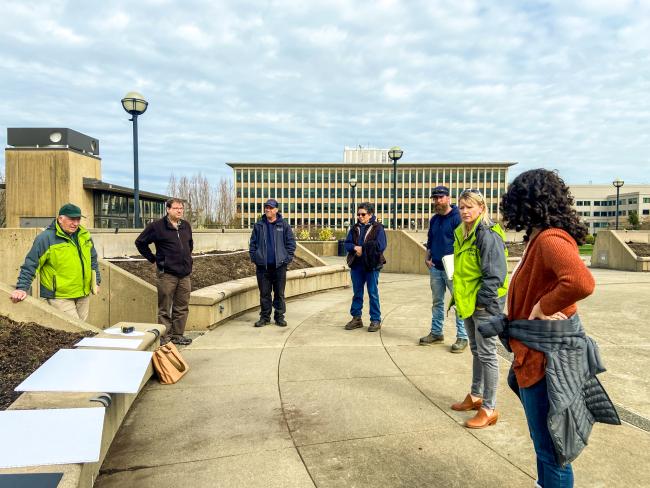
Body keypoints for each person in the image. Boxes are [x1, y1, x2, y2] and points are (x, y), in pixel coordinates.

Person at [498, 169, 618, 487]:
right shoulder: (539, 238)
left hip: (544, 361)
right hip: (534, 355)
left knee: (552, 451)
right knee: (546, 448)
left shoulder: (550, 238)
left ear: (528, 201)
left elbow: (581, 281)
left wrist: (544, 306)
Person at [450, 189, 508, 429]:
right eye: (462, 206)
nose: (464, 211)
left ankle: (489, 407)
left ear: (481, 208)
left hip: (484, 302)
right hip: (468, 300)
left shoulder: (487, 234)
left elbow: (495, 274)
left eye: (470, 206)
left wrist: (482, 302)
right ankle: (476, 395)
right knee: (476, 350)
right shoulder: (461, 232)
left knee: (487, 353)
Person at [10, 203, 100, 321]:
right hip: (59, 297)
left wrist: (96, 281)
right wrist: (22, 287)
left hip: (83, 294)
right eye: (72, 219)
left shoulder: (84, 236)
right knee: (75, 330)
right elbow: (31, 264)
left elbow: (93, 260)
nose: (76, 223)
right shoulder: (45, 238)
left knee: (82, 331)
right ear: (60, 219)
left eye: (78, 219)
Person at [135, 198, 193, 346]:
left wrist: (186, 260)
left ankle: (178, 335)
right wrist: (153, 259)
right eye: (176, 208)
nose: (179, 211)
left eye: (181, 208)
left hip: (184, 274)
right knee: (165, 308)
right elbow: (140, 242)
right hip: (167, 274)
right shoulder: (157, 226)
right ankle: (165, 338)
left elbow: (189, 245)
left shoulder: (186, 226)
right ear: (168, 209)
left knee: (182, 307)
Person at [419, 185, 467, 352]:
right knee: (437, 302)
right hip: (436, 268)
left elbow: (465, 243)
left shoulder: (457, 217)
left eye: (441, 197)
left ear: (448, 198)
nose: (438, 201)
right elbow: (430, 240)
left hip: (454, 268)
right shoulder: (434, 219)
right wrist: (427, 257)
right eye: (435, 198)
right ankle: (437, 333)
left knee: (459, 303)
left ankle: (463, 336)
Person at [249, 198, 296, 327]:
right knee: (264, 293)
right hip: (262, 268)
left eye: (270, 207)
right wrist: (255, 258)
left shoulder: (284, 225)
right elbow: (252, 244)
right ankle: (264, 317)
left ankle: (279, 316)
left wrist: (286, 259)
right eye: (266, 207)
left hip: (279, 267)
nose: (267, 209)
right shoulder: (259, 225)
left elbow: (291, 244)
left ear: (276, 210)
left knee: (279, 293)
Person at [344, 202, 387, 332]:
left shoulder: (378, 228)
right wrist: (354, 247)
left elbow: (381, 246)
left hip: (371, 265)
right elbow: (347, 244)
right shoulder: (354, 228)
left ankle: (375, 320)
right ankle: (356, 318)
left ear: (370, 214)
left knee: (373, 293)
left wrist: (363, 248)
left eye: (363, 214)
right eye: (358, 214)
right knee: (357, 293)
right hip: (356, 265)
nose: (360, 217)